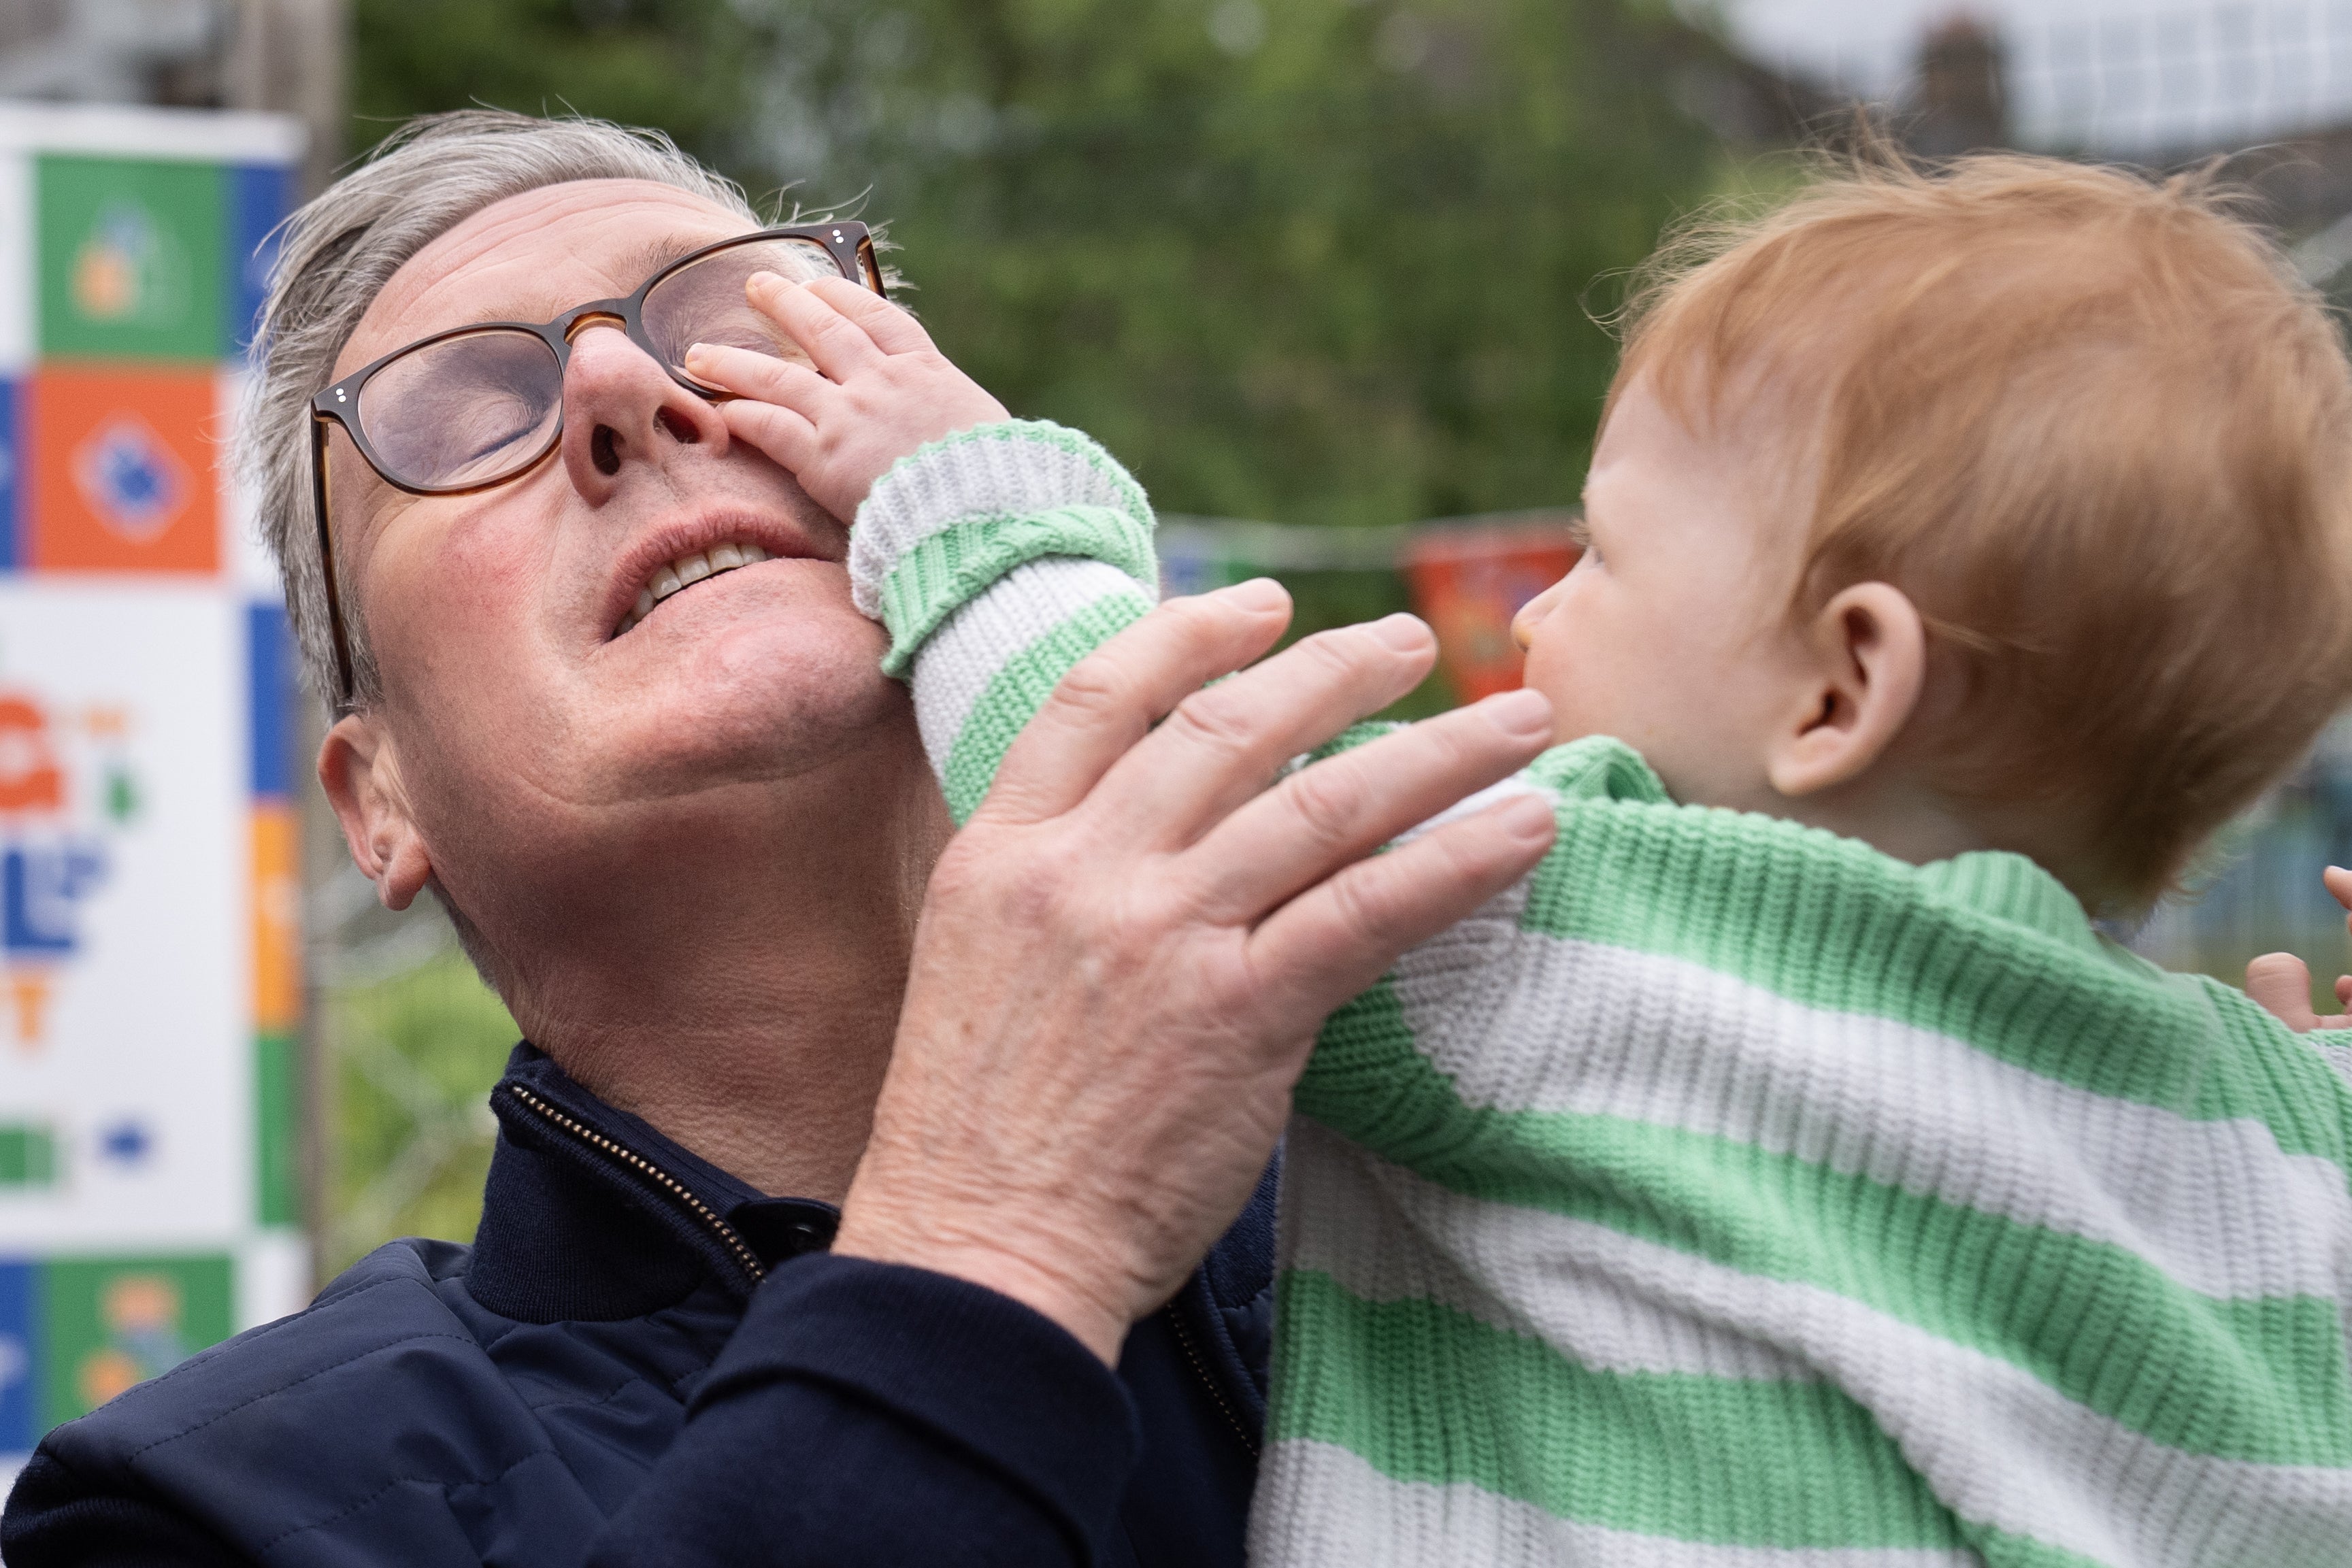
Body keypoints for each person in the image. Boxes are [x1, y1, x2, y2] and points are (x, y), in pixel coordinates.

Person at [680, 152, 2352, 1565]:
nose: (1537, 614)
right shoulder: (2266, 1120)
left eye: (1602, 555)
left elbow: (1152, 798)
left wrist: (957, 490)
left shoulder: (1566, 930)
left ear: (1844, 685)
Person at [0, 112, 1564, 1567]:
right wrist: (999, 1234)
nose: (628, 390)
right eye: (467, 413)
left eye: (740, 330)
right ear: (378, 797)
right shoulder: (200, 1515)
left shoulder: (1483, 1152)